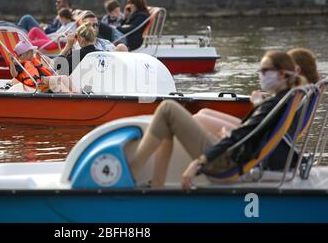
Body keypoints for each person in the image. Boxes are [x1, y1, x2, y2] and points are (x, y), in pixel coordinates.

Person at [128, 51, 302, 189]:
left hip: (225, 162)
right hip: (234, 154)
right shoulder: (283, 100)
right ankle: (157, 183)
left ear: (282, 75)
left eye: (265, 71)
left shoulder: (274, 104)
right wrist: (231, 133)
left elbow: (242, 136)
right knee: (168, 118)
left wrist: (198, 162)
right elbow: (252, 134)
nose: (261, 75)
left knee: (168, 108)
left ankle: (132, 171)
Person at [193, 47, 319, 139]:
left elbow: (272, 122)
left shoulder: (298, 92)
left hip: (261, 136)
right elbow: (279, 116)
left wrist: (258, 103)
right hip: (266, 131)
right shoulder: (303, 91)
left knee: (198, 119)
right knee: (204, 112)